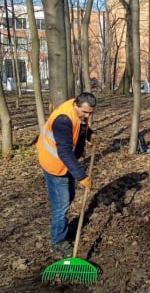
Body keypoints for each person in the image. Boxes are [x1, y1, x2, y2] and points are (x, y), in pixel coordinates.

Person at [36, 92, 100, 256]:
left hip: (66, 163)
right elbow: (64, 152)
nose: (86, 116)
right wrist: (82, 176)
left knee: (69, 196)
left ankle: (62, 227)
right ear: (76, 105)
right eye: (84, 112)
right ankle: (58, 241)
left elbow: (81, 127)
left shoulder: (78, 110)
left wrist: (90, 135)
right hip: (54, 164)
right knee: (61, 204)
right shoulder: (63, 120)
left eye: (90, 113)